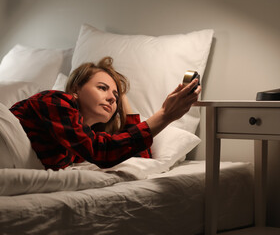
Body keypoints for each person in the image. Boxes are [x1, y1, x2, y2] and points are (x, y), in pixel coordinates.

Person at [10, 57, 201, 170]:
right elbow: (103, 151)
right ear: (76, 89)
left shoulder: (81, 143)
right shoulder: (56, 101)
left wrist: (122, 99)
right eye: (102, 88)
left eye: (115, 96)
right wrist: (165, 115)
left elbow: (141, 162)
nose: (111, 98)